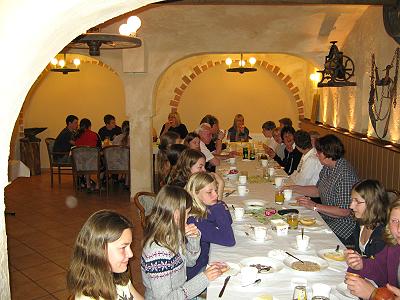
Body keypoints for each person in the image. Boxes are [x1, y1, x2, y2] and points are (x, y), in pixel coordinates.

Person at [141, 185, 222, 299]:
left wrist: (194, 240)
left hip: (182, 292)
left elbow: (189, 262)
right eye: (187, 213)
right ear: (176, 214)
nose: (188, 217)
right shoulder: (157, 254)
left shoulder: (172, 234)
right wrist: (205, 278)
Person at [294, 134, 359, 245]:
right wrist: (294, 188)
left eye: (318, 152)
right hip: (327, 218)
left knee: (304, 235)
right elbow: (318, 190)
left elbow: (344, 211)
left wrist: (314, 206)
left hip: (342, 226)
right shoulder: (328, 167)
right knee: (296, 224)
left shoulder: (344, 174)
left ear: (327, 154)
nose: (316, 154)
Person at [67, 210, 143, 300]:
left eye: (130, 246)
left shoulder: (117, 277)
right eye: (123, 247)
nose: (131, 254)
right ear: (99, 250)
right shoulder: (88, 297)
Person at [344, 197, 400, 299]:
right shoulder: (393, 247)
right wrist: (361, 265)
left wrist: (373, 294)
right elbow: (381, 270)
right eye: (395, 221)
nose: (399, 229)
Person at [185, 172, 235, 280]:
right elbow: (229, 240)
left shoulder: (203, 209)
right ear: (195, 194)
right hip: (196, 271)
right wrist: (219, 207)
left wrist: (218, 205)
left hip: (203, 260)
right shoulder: (196, 221)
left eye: (216, 190)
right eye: (209, 192)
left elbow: (228, 221)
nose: (216, 195)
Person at [350, 179, 388, 258]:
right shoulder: (361, 223)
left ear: (372, 204)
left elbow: (378, 267)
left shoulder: (382, 235)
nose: (351, 206)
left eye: (357, 201)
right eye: (352, 200)